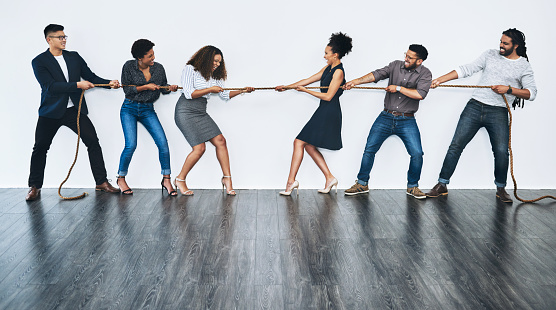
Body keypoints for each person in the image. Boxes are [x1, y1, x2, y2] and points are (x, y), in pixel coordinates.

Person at [426, 28, 537, 203]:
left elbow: (531, 93)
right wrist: (440, 80)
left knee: (501, 151)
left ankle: (501, 188)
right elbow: (467, 69)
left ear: (516, 45)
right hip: (475, 107)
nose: (501, 45)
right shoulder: (490, 55)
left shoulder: (524, 65)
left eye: (505, 43)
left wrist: (508, 89)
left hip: (499, 112)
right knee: (456, 145)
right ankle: (442, 185)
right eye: (500, 41)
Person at [26, 24, 120, 201]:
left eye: (64, 36)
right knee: (40, 148)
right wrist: (77, 85)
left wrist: (109, 83)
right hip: (50, 112)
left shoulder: (74, 57)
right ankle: (34, 187)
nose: (63, 40)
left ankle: (101, 182)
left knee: (93, 141)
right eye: (60, 37)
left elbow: (90, 77)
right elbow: (50, 87)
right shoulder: (39, 61)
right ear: (49, 40)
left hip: (73, 111)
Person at [344, 44, 432, 199]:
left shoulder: (425, 73)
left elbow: (420, 94)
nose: (406, 58)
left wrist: (398, 88)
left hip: (407, 120)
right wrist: (355, 82)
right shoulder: (395, 65)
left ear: (419, 61)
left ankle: (413, 187)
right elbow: (376, 75)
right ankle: (362, 183)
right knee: (369, 149)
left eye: (410, 57)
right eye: (406, 54)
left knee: (417, 153)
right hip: (386, 116)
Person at [276, 32, 353, 196]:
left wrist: (305, 91)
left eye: (327, 53)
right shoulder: (328, 68)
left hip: (330, 111)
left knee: (298, 142)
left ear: (335, 55)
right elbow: (308, 80)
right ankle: (330, 178)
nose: (324, 56)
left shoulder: (339, 72)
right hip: (323, 110)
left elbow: (328, 96)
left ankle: (291, 182)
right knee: (309, 145)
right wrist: (287, 86)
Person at [174, 45, 254, 196]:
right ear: (207, 57)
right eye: (215, 61)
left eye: (219, 62)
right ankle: (180, 179)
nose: (217, 64)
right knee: (200, 148)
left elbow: (224, 95)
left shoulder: (214, 76)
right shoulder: (190, 69)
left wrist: (242, 91)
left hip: (201, 111)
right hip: (185, 110)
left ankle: (227, 179)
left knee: (221, 141)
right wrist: (210, 90)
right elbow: (189, 93)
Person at [117, 39, 178, 196]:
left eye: (153, 54)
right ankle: (121, 178)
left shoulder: (158, 69)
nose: (153, 58)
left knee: (163, 143)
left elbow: (163, 89)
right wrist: (146, 86)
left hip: (147, 109)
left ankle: (166, 179)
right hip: (129, 108)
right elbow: (127, 90)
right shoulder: (128, 66)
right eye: (150, 56)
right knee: (131, 145)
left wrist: (170, 88)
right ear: (140, 58)